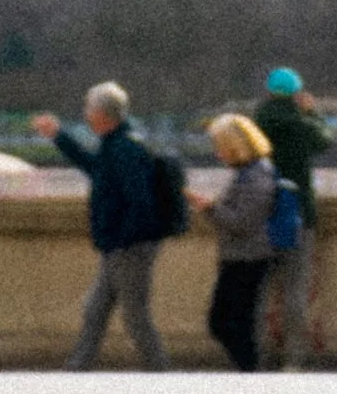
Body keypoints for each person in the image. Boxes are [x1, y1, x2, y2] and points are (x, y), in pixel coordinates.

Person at [31, 80, 175, 371]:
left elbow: (139, 201)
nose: (85, 114)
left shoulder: (124, 149)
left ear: (102, 114)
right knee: (95, 309)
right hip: (119, 245)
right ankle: (79, 365)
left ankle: (161, 370)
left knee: (135, 315)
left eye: (89, 108)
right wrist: (60, 136)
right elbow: (95, 168)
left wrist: (122, 240)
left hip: (129, 247)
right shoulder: (117, 144)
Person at [254, 63, 332, 368]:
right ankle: (294, 359)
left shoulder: (258, 122)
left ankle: (256, 355)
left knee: (259, 291)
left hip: (262, 212)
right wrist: (312, 112)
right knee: (295, 291)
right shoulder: (301, 125)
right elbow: (326, 139)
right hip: (299, 213)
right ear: (297, 94)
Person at [195, 111, 279, 370]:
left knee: (229, 322)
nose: (218, 154)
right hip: (240, 256)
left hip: (249, 258)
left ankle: (250, 371)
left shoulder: (256, 176)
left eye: (221, 148)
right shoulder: (253, 172)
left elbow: (242, 223)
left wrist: (210, 208)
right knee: (235, 322)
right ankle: (248, 370)